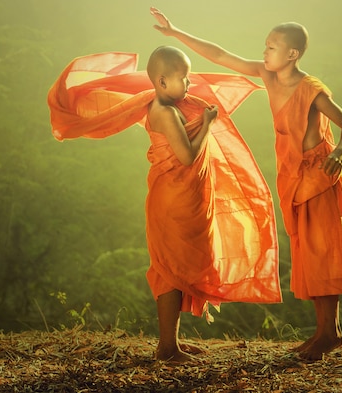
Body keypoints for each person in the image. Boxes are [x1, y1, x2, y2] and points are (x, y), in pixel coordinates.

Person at [47, 46, 282, 364]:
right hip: (173, 199)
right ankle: (167, 348)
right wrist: (208, 123)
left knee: (180, 264)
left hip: (184, 196)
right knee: (171, 270)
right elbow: (186, 156)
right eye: (183, 78)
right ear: (160, 81)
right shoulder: (165, 112)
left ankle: (173, 342)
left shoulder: (169, 103)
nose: (189, 84)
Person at [150, 7, 342, 361]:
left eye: (272, 47)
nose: (264, 52)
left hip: (319, 173)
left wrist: (340, 150)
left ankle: (328, 332)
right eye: (265, 46)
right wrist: (176, 33)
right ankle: (326, 332)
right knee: (307, 252)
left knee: (324, 250)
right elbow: (220, 54)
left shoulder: (311, 89)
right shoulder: (267, 75)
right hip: (293, 176)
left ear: (292, 54)